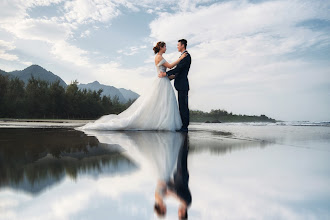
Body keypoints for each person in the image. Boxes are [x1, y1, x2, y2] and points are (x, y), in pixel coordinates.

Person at [77, 41, 186, 131]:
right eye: (165, 46)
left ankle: (162, 121)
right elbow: (171, 66)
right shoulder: (159, 57)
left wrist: (172, 76)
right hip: (161, 82)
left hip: (163, 80)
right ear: (161, 47)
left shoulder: (160, 57)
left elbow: (167, 70)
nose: (166, 48)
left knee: (162, 103)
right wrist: (181, 59)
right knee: (156, 102)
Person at [158, 39, 191, 132]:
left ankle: (185, 126)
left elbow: (178, 68)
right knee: (181, 105)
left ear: (183, 46)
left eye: (178, 45)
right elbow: (179, 71)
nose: (177, 46)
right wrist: (171, 77)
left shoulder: (186, 56)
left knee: (183, 105)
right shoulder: (183, 56)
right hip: (181, 84)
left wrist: (166, 74)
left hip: (183, 84)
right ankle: (183, 125)